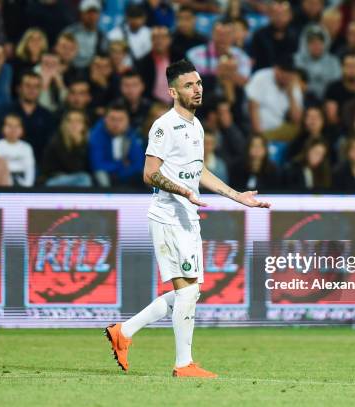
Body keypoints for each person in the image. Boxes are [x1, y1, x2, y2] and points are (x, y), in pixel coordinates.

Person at [105, 59, 270, 378]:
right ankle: (183, 364)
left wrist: (237, 196)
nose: (197, 90)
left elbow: (200, 171)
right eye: (189, 85)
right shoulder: (164, 126)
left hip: (187, 216)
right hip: (168, 216)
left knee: (190, 291)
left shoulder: (196, 125)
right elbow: (149, 174)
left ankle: (124, 332)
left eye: (198, 84)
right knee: (187, 291)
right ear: (172, 91)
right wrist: (183, 191)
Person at [88, 102, 145, 187]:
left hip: (127, 175)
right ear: (105, 119)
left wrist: (123, 171)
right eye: (112, 119)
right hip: (107, 175)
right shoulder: (96, 135)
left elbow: (138, 164)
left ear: (127, 121)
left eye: (121, 120)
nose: (116, 123)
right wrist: (121, 165)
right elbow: (97, 165)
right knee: (100, 174)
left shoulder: (132, 135)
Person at [245, 56, 302, 140]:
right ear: (276, 69)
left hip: (279, 130)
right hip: (258, 129)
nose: (287, 76)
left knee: (298, 130)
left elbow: (296, 119)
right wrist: (259, 136)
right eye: (284, 72)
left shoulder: (293, 85)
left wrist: (291, 95)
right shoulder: (261, 77)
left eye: (290, 73)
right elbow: (252, 107)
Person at [40, 109, 92, 187]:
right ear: (65, 124)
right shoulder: (57, 142)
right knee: (84, 178)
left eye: (78, 121)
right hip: (54, 180)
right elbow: (73, 168)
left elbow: (90, 167)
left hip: (75, 179)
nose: (74, 124)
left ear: (84, 125)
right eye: (70, 121)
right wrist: (77, 145)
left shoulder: (88, 142)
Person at [250, 0, 298, 71]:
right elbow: (255, 61)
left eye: (283, 14)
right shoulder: (259, 35)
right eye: (275, 14)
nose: (279, 17)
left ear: (290, 16)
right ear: (269, 14)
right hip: (263, 74)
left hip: (288, 74)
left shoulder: (295, 35)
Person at [0, 113, 35, 187]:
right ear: (3, 128)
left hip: (21, 181)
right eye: (9, 126)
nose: (13, 129)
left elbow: (30, 170)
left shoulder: (26, 147)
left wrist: (28, 187)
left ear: (22, 130)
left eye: (16, 126)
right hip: (1, 182)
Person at [63, 0, 108, 69]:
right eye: (88, 12)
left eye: (95, 12)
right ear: (81, 13)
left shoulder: (101, 35)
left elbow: (103, 55)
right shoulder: (71, 32)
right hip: (71, 68)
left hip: (92, 70)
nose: (91, 16)